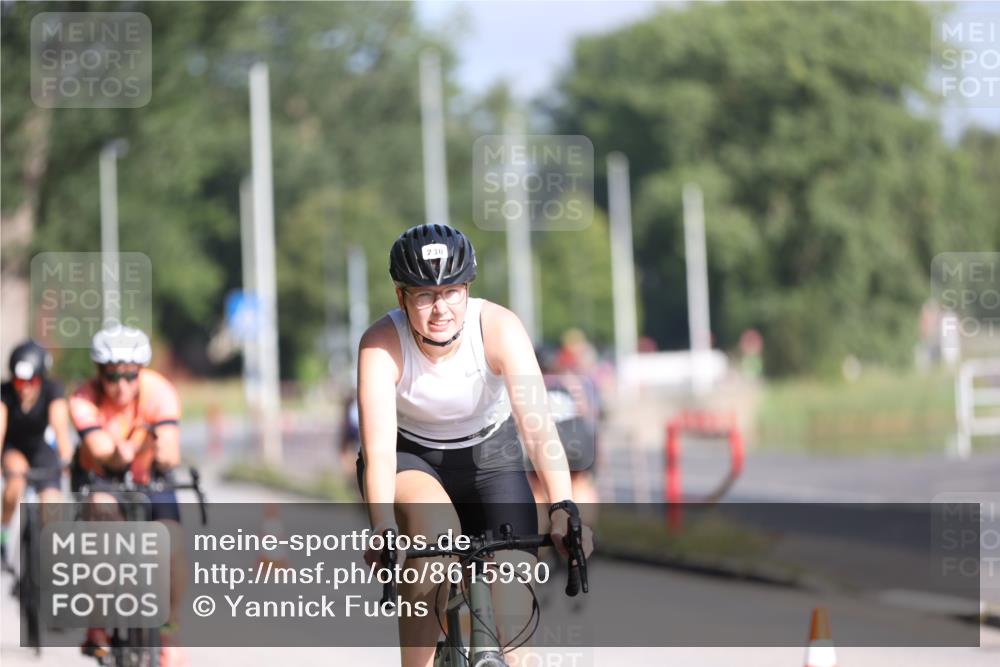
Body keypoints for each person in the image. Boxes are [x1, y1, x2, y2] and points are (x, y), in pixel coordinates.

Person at [356, 223, 593, 667]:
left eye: (451, 292)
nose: (440, 308)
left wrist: (564, 505)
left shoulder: (499, 328)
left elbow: (539, 429)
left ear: (467, 289)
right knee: (435, 538)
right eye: (424, 295)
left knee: (514, 614)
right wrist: (383, 526)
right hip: (412, 459)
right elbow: (380, 452)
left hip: (491, 457)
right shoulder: (380, 344)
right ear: (400, 296)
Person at [68, 325, 187, 667]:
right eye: (112, 376)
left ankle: (169, 629)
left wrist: (160, 448)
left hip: (151, 476)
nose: (121, 386)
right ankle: (99, 622)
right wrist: (133, 444)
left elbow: (170, 454)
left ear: (140, 372)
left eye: (129, 376)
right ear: (99, 373)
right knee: (101, 524)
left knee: (173, 542)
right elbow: (105, 452)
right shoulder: (83, 398)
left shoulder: (159, 391)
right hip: (103, 475)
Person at [0, 340, 74, 568]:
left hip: (42, 449)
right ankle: (3, 534)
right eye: (19, 381)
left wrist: (67, 460)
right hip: (14, 448)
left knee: (52, 504)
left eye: (31, 381)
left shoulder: (53, 390)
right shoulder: (4, 393)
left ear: (41, 378)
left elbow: (60, 427)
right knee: (14, 483)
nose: (24, 388)